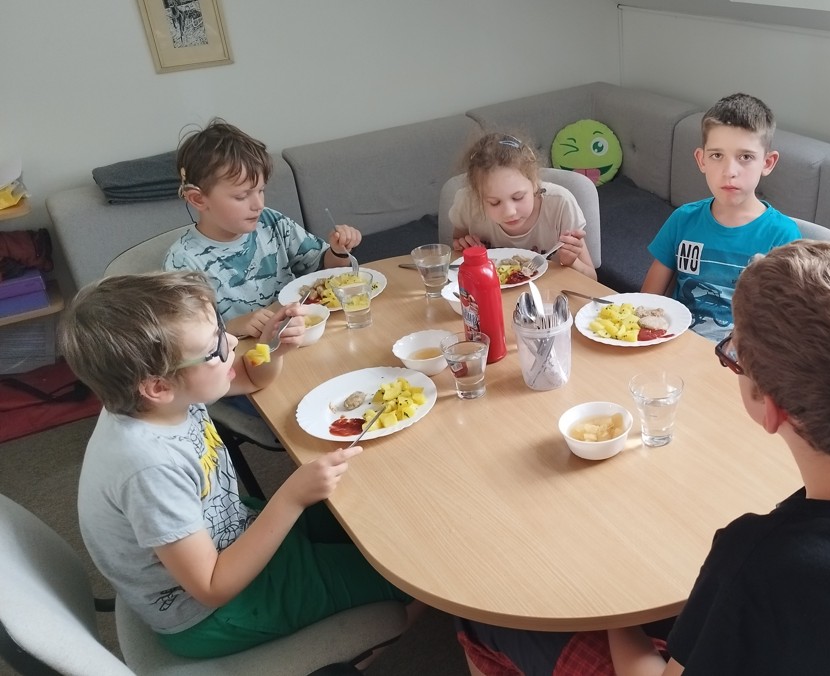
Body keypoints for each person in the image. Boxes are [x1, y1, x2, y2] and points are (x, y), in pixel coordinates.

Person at [456, 240, 830, 675]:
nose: (732, 359)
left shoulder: (757, 560)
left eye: (733, 354)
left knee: (491, 620)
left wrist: (612, 611)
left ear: (771, 408)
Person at [60, 271, 418, 660]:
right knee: (405, 572)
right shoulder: (146, 467)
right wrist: (291, 498)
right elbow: (212, 586)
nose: (231, 342)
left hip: (233, 535)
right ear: (159, 386)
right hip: (215, 611)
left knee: (374, 511)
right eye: (214, 347)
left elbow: (248, 376)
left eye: (221, 330)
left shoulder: (156, 397)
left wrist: (273, 349)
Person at [165, 119, 363, 339]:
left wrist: (338, 251)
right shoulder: (183, 262)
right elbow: (189, 340)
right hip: (249, 353)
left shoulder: (270, 221)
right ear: (198, 199)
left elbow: (323, 271)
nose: (258, 204)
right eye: (242, 196)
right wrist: (235, 326)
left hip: (302, 335)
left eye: (260, 191)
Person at [641, 93, 801, 342]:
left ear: (767, 163)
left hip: (741, 357)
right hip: (675, 346)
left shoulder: (783, 236)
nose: (730, 172)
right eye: (717, 155)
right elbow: (647, 304)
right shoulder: (682, 220)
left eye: (745, 157)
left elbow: (783, 328)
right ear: (701, 159)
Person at [449, 131, 597, 280]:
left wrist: (572, 262)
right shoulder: (468, 203)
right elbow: (457, 246)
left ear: (534, 183)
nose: (509, 212)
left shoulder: (560, 205)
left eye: (518, 197)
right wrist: (464, 246)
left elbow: (593, 279)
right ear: (478, 195)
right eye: (494, 202)